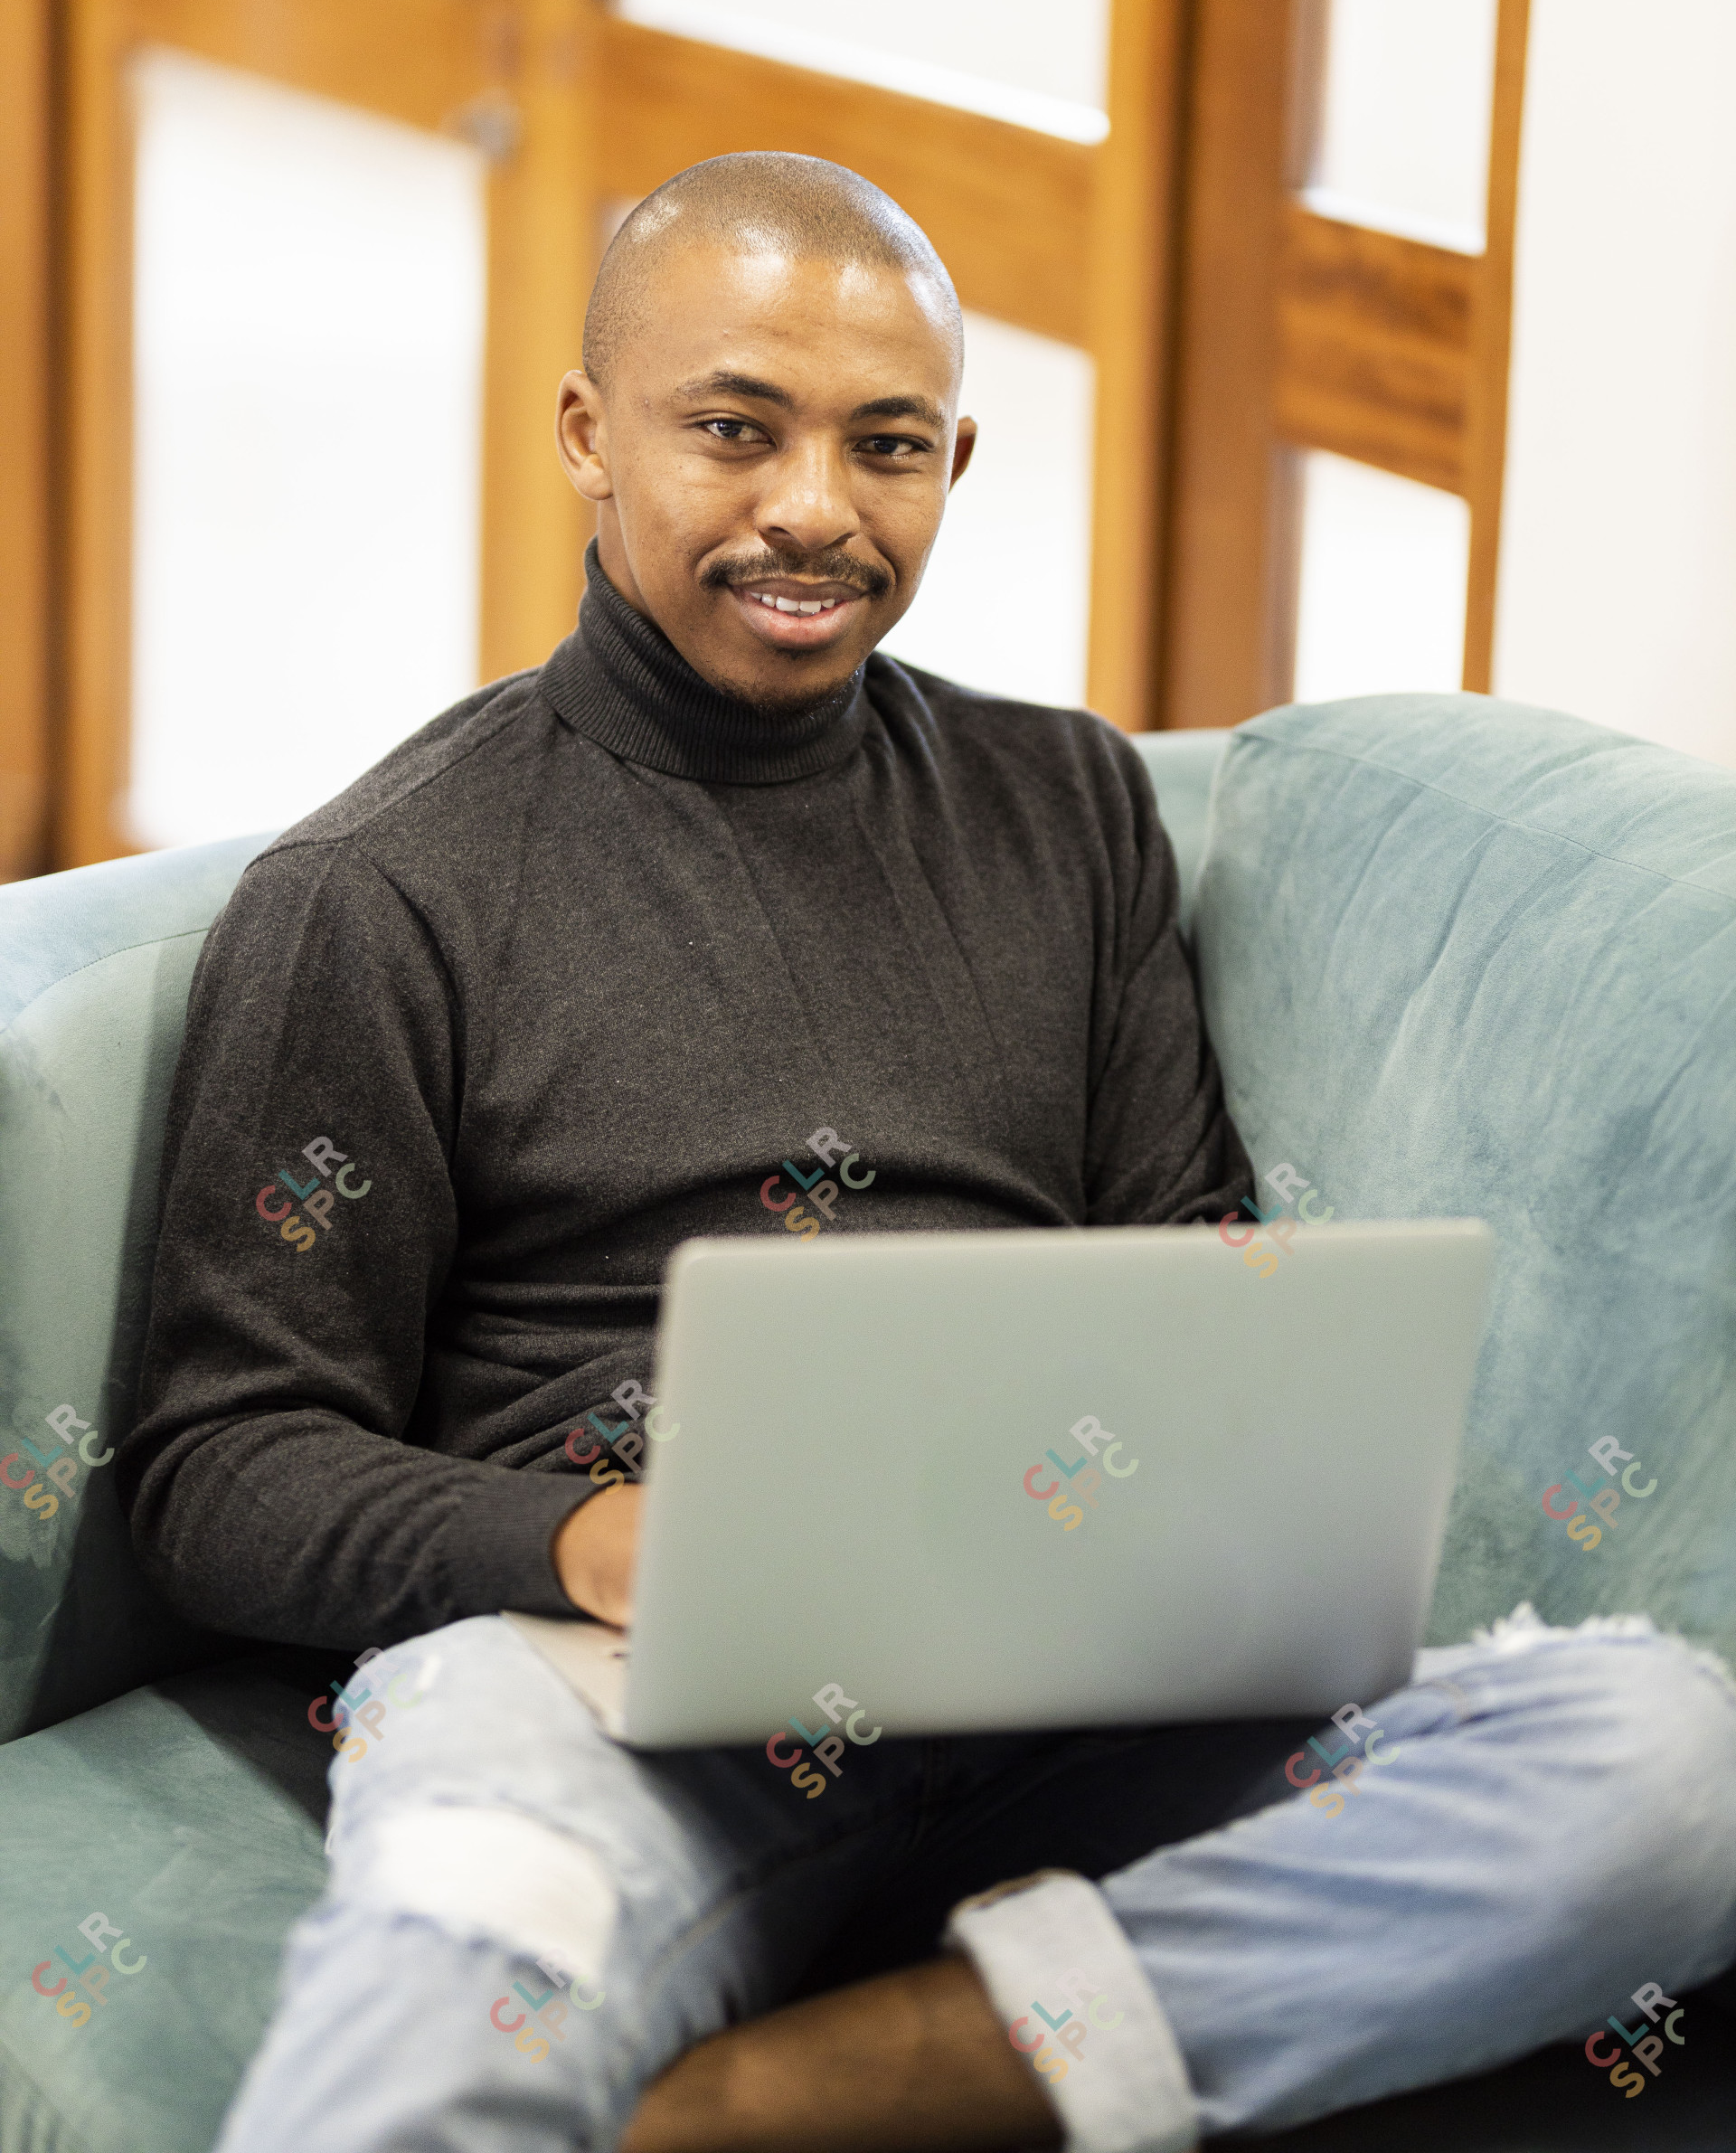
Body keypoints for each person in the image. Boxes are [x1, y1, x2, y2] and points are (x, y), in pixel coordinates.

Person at [118, 155, 1736, 2153]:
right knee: (438, 2010)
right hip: (606, 1689)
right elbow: (218, 1468)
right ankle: (976, 2033)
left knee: (1672, 1768)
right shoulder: (380, 893)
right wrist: (586, 1541)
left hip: (1074, 1668)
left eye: (887, 446)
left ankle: (842, 2082)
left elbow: (1180, 1275)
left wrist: (1212, 1531)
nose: (814, 507)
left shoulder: (1063, 803)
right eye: (732, 428)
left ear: (955, 459)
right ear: (586, 434)